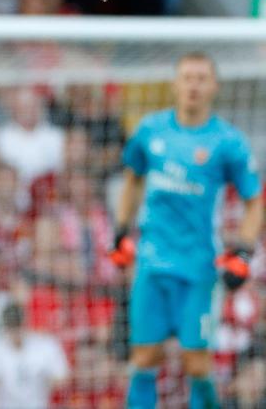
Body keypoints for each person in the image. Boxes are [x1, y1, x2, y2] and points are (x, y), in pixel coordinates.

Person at [110, 52, 264, 409]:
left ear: (214, 87)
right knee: (145, 358)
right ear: (175, 84)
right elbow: (132, 179)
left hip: (199, 269)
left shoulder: (228, 142)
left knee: (196, 363)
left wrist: (243, 250)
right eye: (187, 77)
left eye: (201, 78)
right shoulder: (150, 131)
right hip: (152, 264)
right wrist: (120, 229)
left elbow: (253, 201)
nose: (193, 85)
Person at [0, 303, 68, 409]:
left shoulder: (45, 345)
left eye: (18, 325)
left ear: (25, 323)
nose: (15, 332)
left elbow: (62, 379)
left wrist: (44, 379)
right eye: (11, 326)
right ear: (4, 327)